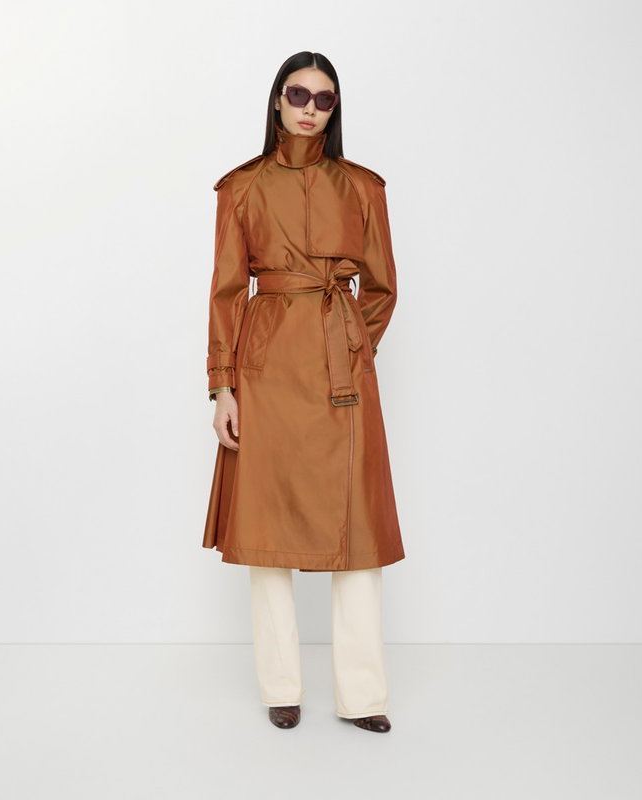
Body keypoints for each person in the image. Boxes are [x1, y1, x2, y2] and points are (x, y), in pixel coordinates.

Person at [202, 51, 405, 733]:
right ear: (276, 100)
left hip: (341, 372)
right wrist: (223, 387)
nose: (310, 109)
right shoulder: (242, 187)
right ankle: (280, 686)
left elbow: (382, 287)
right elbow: (226, 292)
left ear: (334, 108)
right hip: (266, 370)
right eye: (298, 94)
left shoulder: (363, 187)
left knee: (358, 527)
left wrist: (349, 343)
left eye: (324, 99)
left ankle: (363, 695)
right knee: (266, 526)